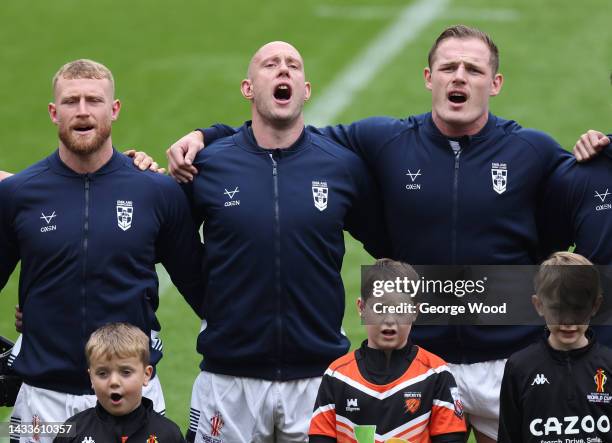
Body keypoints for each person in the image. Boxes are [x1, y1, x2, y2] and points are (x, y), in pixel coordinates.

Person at [167, 25, 578, 442]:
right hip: (417, 360)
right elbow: (282, 137)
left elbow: (578, 204)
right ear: (428, 77)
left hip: (507, 358)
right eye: (448, 67)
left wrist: (600, 146)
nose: (459, 77)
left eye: (472, 69)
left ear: (495, 83)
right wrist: (208, 136)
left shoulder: (533, 150)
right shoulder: (387, 139)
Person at [184, 41, 388, 443]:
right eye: (270, 64)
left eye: (293, 65)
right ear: (248, 88)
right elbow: (162, 243)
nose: (283, 71)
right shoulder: (208, 164)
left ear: (305, 89)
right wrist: (210, 302)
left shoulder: (341, 165)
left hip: (318, 380)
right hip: (228, 381)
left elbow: (390, 245)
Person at [0, 59, 205, 442]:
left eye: (93, 100)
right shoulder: (17, 194)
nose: (81, 111)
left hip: (134, 403)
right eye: (70, 101)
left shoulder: (157, 192)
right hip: (43, 407)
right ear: (52, 112)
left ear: (114, 110)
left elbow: (203, 290)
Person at [309, 259, 466, 443]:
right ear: (361, 308)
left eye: (400, 309)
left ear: (415, 311)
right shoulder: (337, 376)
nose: (390, 319)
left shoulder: (436, 374)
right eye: (380, 308)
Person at [498, 251, 611, 442]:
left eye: (578, 309)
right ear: (539, 305)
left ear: (595, 306)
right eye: (558, 309)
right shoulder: (519, 367)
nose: (568, 321)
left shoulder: (608, 364)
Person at [53, 323, 186, 442]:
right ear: (91, 378)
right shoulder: (73, 430)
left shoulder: (168, 434)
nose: (114, 382)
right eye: (102, 373)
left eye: (126, 372)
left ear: (146, 375)